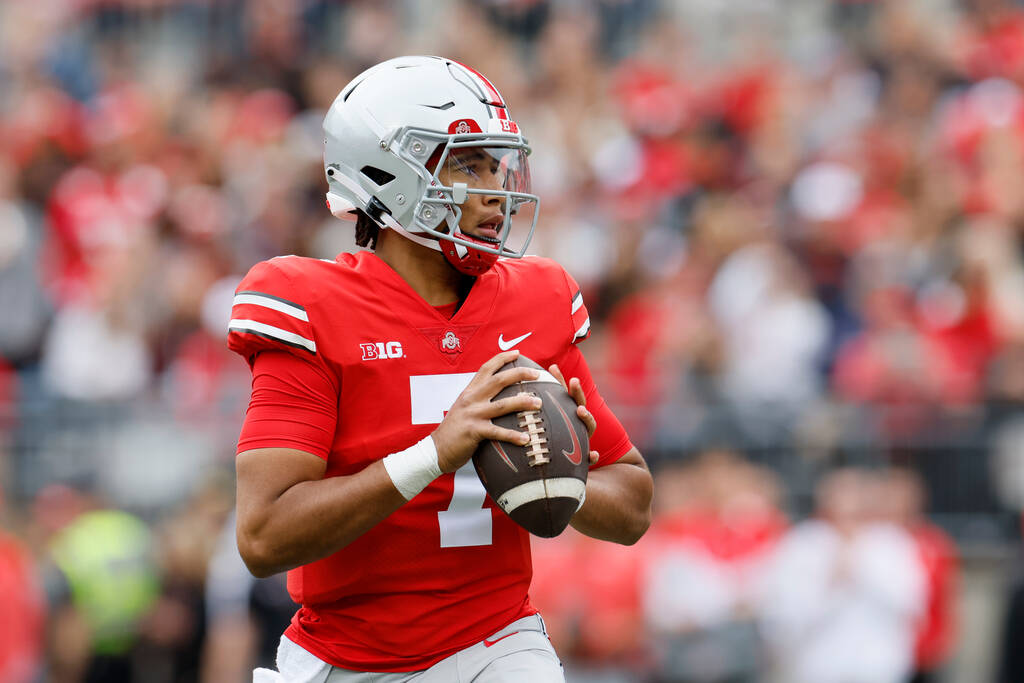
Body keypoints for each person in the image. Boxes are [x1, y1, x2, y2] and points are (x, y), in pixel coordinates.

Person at [227, 55, 653, 682]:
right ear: (388, 172)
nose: (494, 189)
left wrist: (558, 476)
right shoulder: (310, 304)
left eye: (495, 163)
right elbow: (263, 538)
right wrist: (433, 453)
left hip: (498, 645)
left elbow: (634, 502)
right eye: (466, 164)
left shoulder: (535, 300)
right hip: (344, 658)